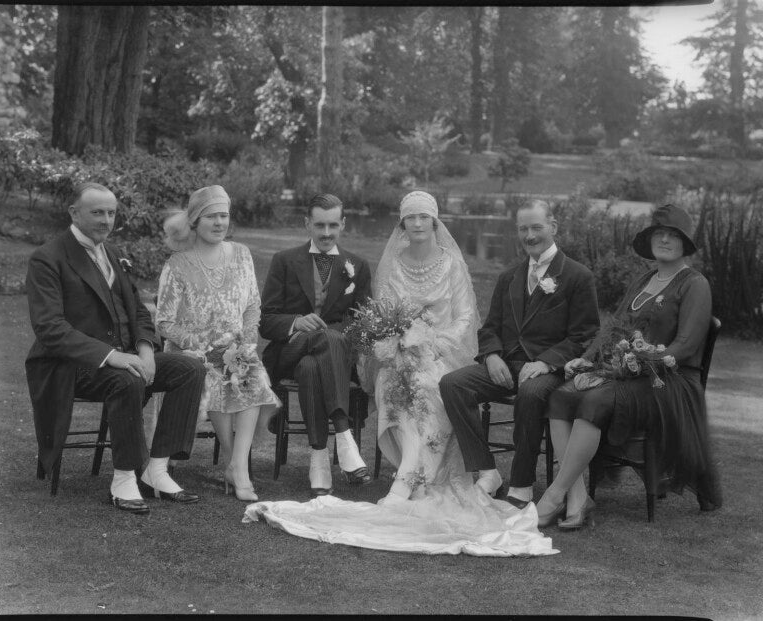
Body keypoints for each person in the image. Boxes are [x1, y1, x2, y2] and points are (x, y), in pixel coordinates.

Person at [243, 191, 556, 557]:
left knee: (428, 382)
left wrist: (432, 345)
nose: (419, 224)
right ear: (402, 223)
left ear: (435, 222)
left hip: (440, 351)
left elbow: (466, 318)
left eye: (425, 217)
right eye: (412, 218)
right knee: (395, 377)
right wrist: (399, 342)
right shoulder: (384, 266)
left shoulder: (446, 265)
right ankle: (365, 451)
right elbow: (378, 316)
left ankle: (399, 474)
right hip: (382, 352)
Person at [535, 204, 723, 529]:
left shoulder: (694, 284)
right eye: (658, 233)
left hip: (671, 380)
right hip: (630, 372)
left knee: (594, 400)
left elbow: (686, 346)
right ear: (650, 240)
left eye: (673, 235)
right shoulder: (644, 279)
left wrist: (626, 368)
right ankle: (578, 498)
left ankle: (553, 496)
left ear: (684, 244)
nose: (664, 239)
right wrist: (588, 359)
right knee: (561, 398)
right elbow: (614, 327)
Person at [25, 182, 206, 515]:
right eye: (97, 212)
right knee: (127, 380)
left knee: (190, 368)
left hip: (124, 357)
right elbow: (50, 329)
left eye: (111, 212)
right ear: (73, 213)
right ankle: (123, 478)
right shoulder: (48, 258)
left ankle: (157, 469)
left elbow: (137, 310)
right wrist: (115, 357)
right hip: (69, 366)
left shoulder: (111, 252)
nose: (106, 220)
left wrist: (146, 351)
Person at [440, 199, 600, 509]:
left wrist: (545, 362)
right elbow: (489, 328)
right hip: (507, 362)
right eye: (523, 229)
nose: (529, 236)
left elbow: (585, 334)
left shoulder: (578, 277)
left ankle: (522, 484)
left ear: (553, 227)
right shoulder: (509, 276)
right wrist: (491, 356)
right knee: (452, 384)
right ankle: (487, 472)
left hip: (550, 369)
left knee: (530, 393)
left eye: (536, 228)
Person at [155, 185, 280, 502]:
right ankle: (236, 465)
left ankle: (236, 466)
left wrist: (249, 334)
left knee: (250, 373)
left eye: (224, 215)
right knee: (214, 374)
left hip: (235, 346)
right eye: (212, 216)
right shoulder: (177, 264)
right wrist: (198, 342)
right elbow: (164, 321)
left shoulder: (241, 255)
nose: (219, 222)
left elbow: (253, 304)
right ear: (195, 220)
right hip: (191, 351)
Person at [259, 193, 373, 495]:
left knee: (313, 365)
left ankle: (319, 458)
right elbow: (266, 320)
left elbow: (362, 324)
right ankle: (343, 434)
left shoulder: (358, 266)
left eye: (333, 225)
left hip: (332, 360)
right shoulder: (284, 261)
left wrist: (330, 333)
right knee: (321, 342)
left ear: (343, 224)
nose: (326, 233)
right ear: (307, 222)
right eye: (319, 225)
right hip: (288, 352)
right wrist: (296, 322)